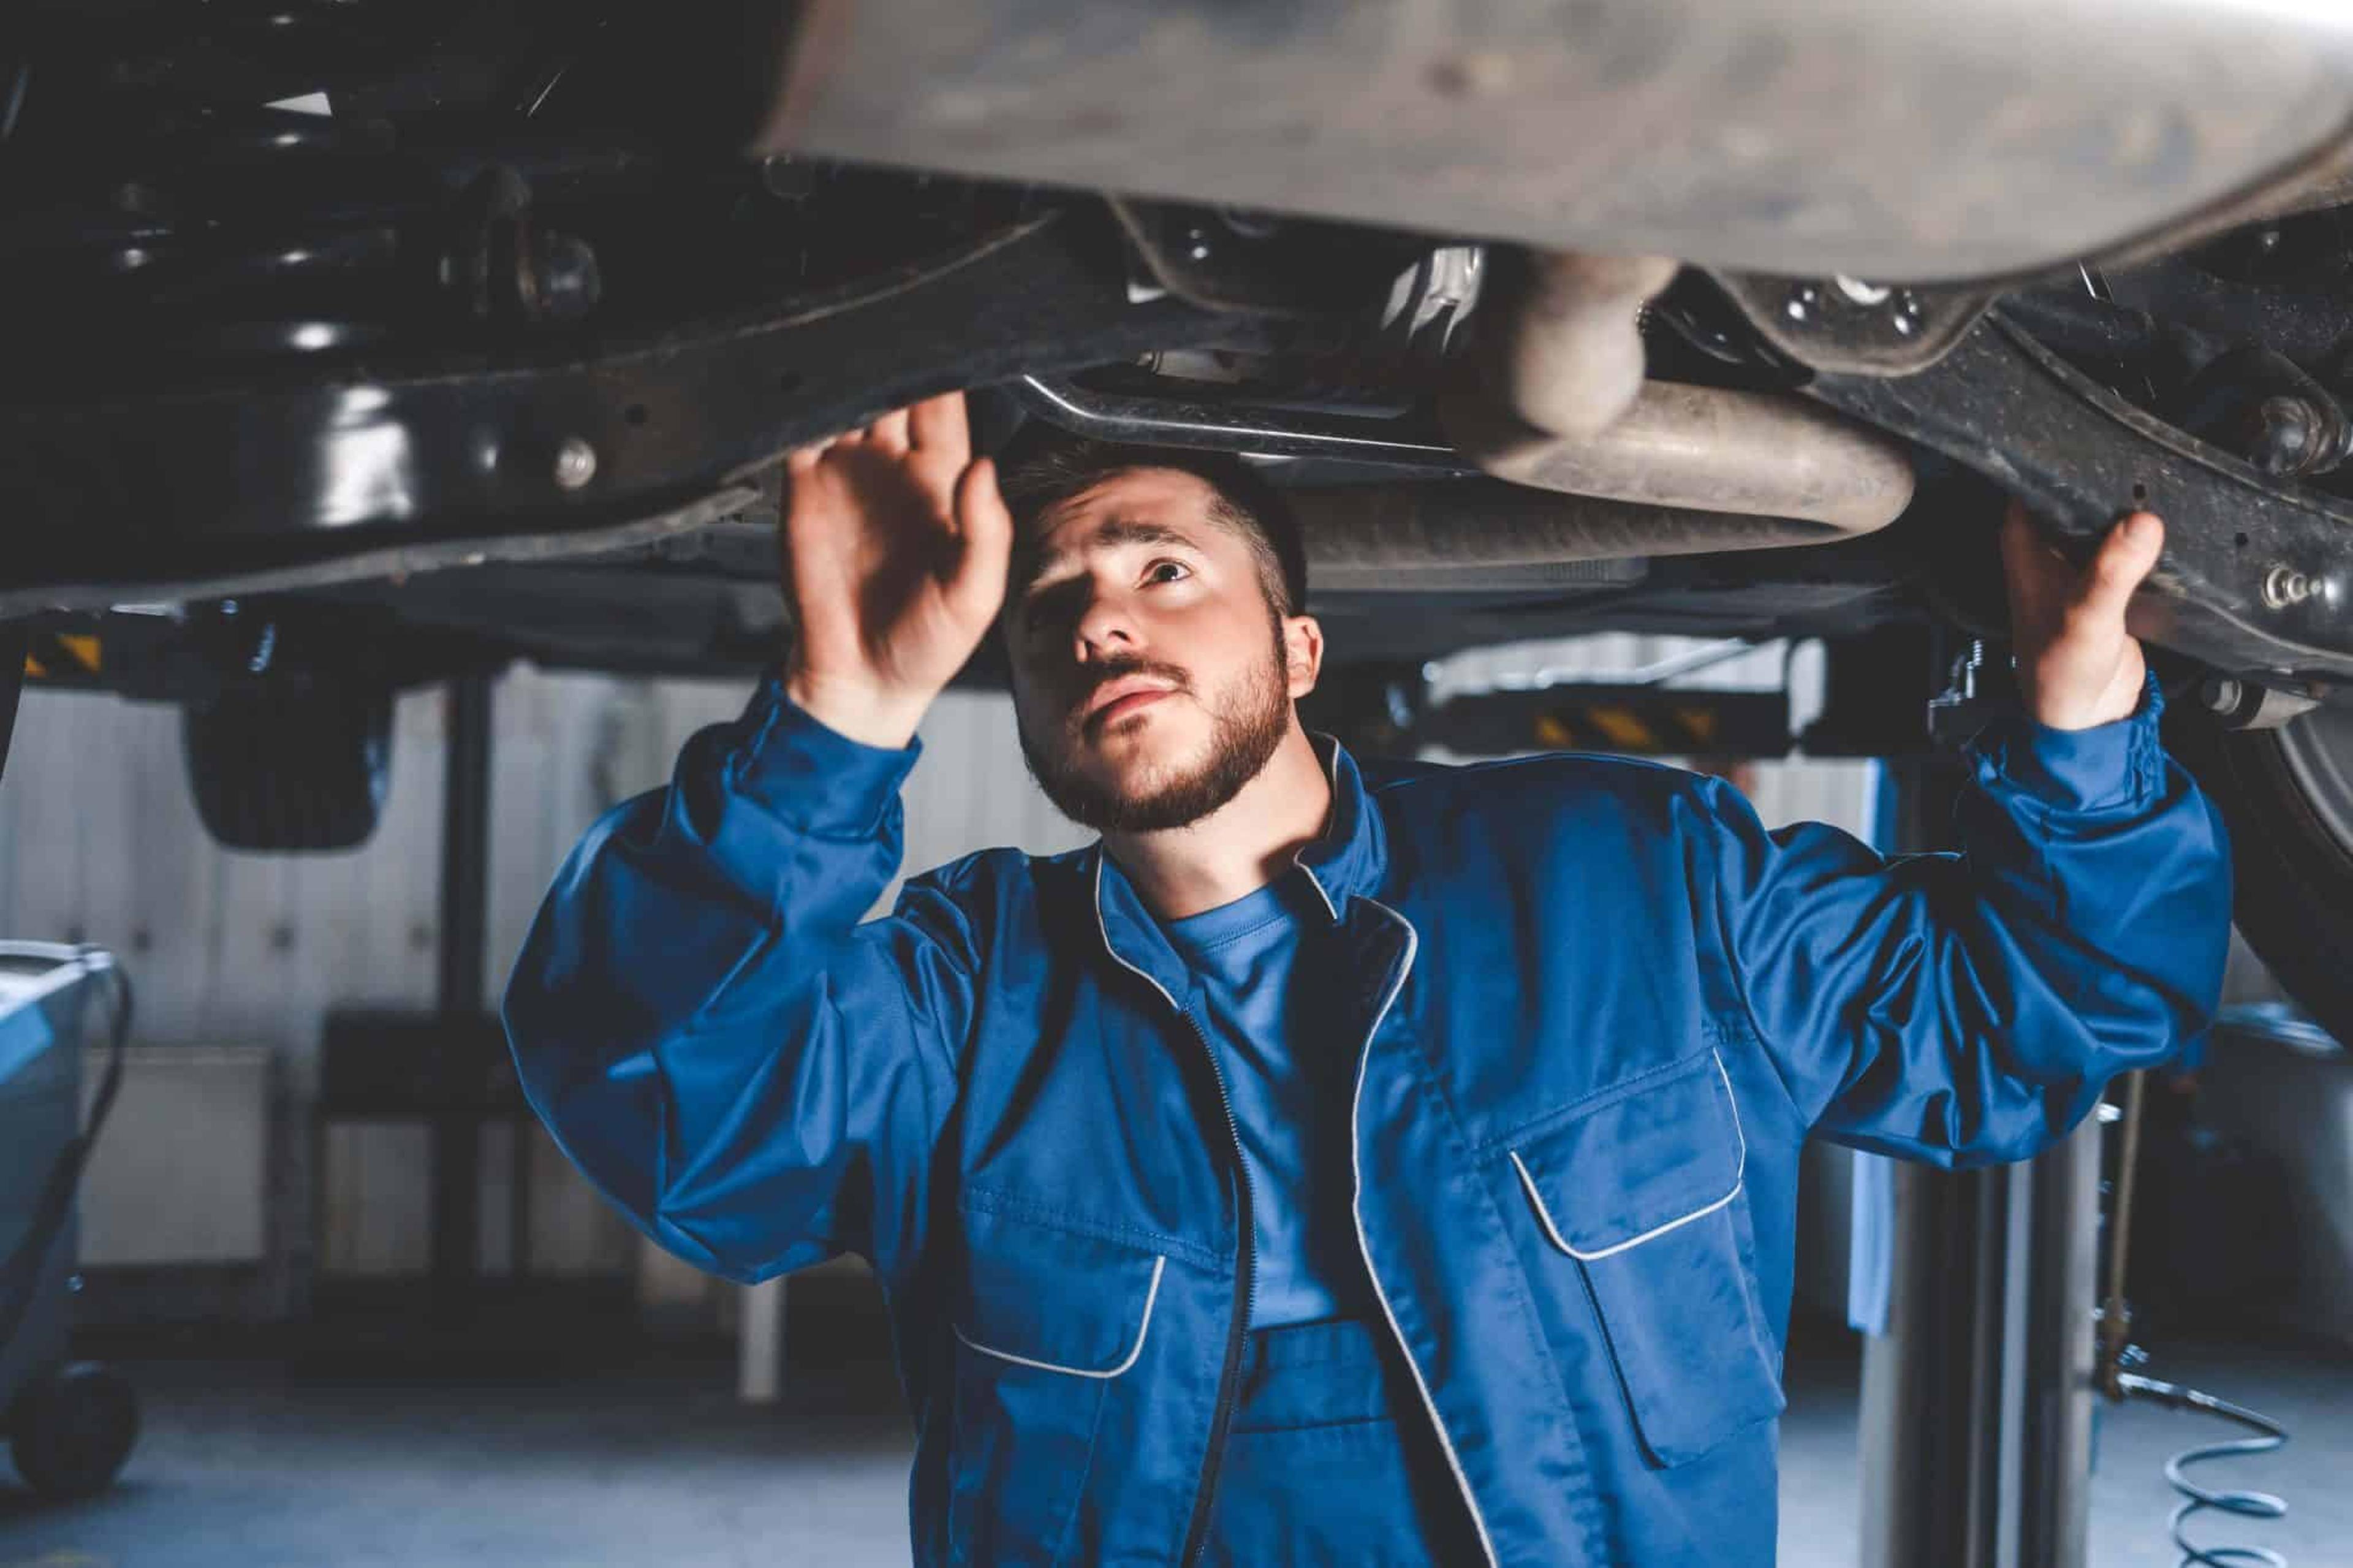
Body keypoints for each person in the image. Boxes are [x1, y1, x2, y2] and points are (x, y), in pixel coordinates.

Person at [502, 391, 2230, 1567]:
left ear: (1300, 650)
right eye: (1051, 609)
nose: (1103, 620)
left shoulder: (1639, 883)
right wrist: (839, 719)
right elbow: (664, 1097)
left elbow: (2049, 1013)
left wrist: (2082, 715)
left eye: (1164, 569)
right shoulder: (965, 999)